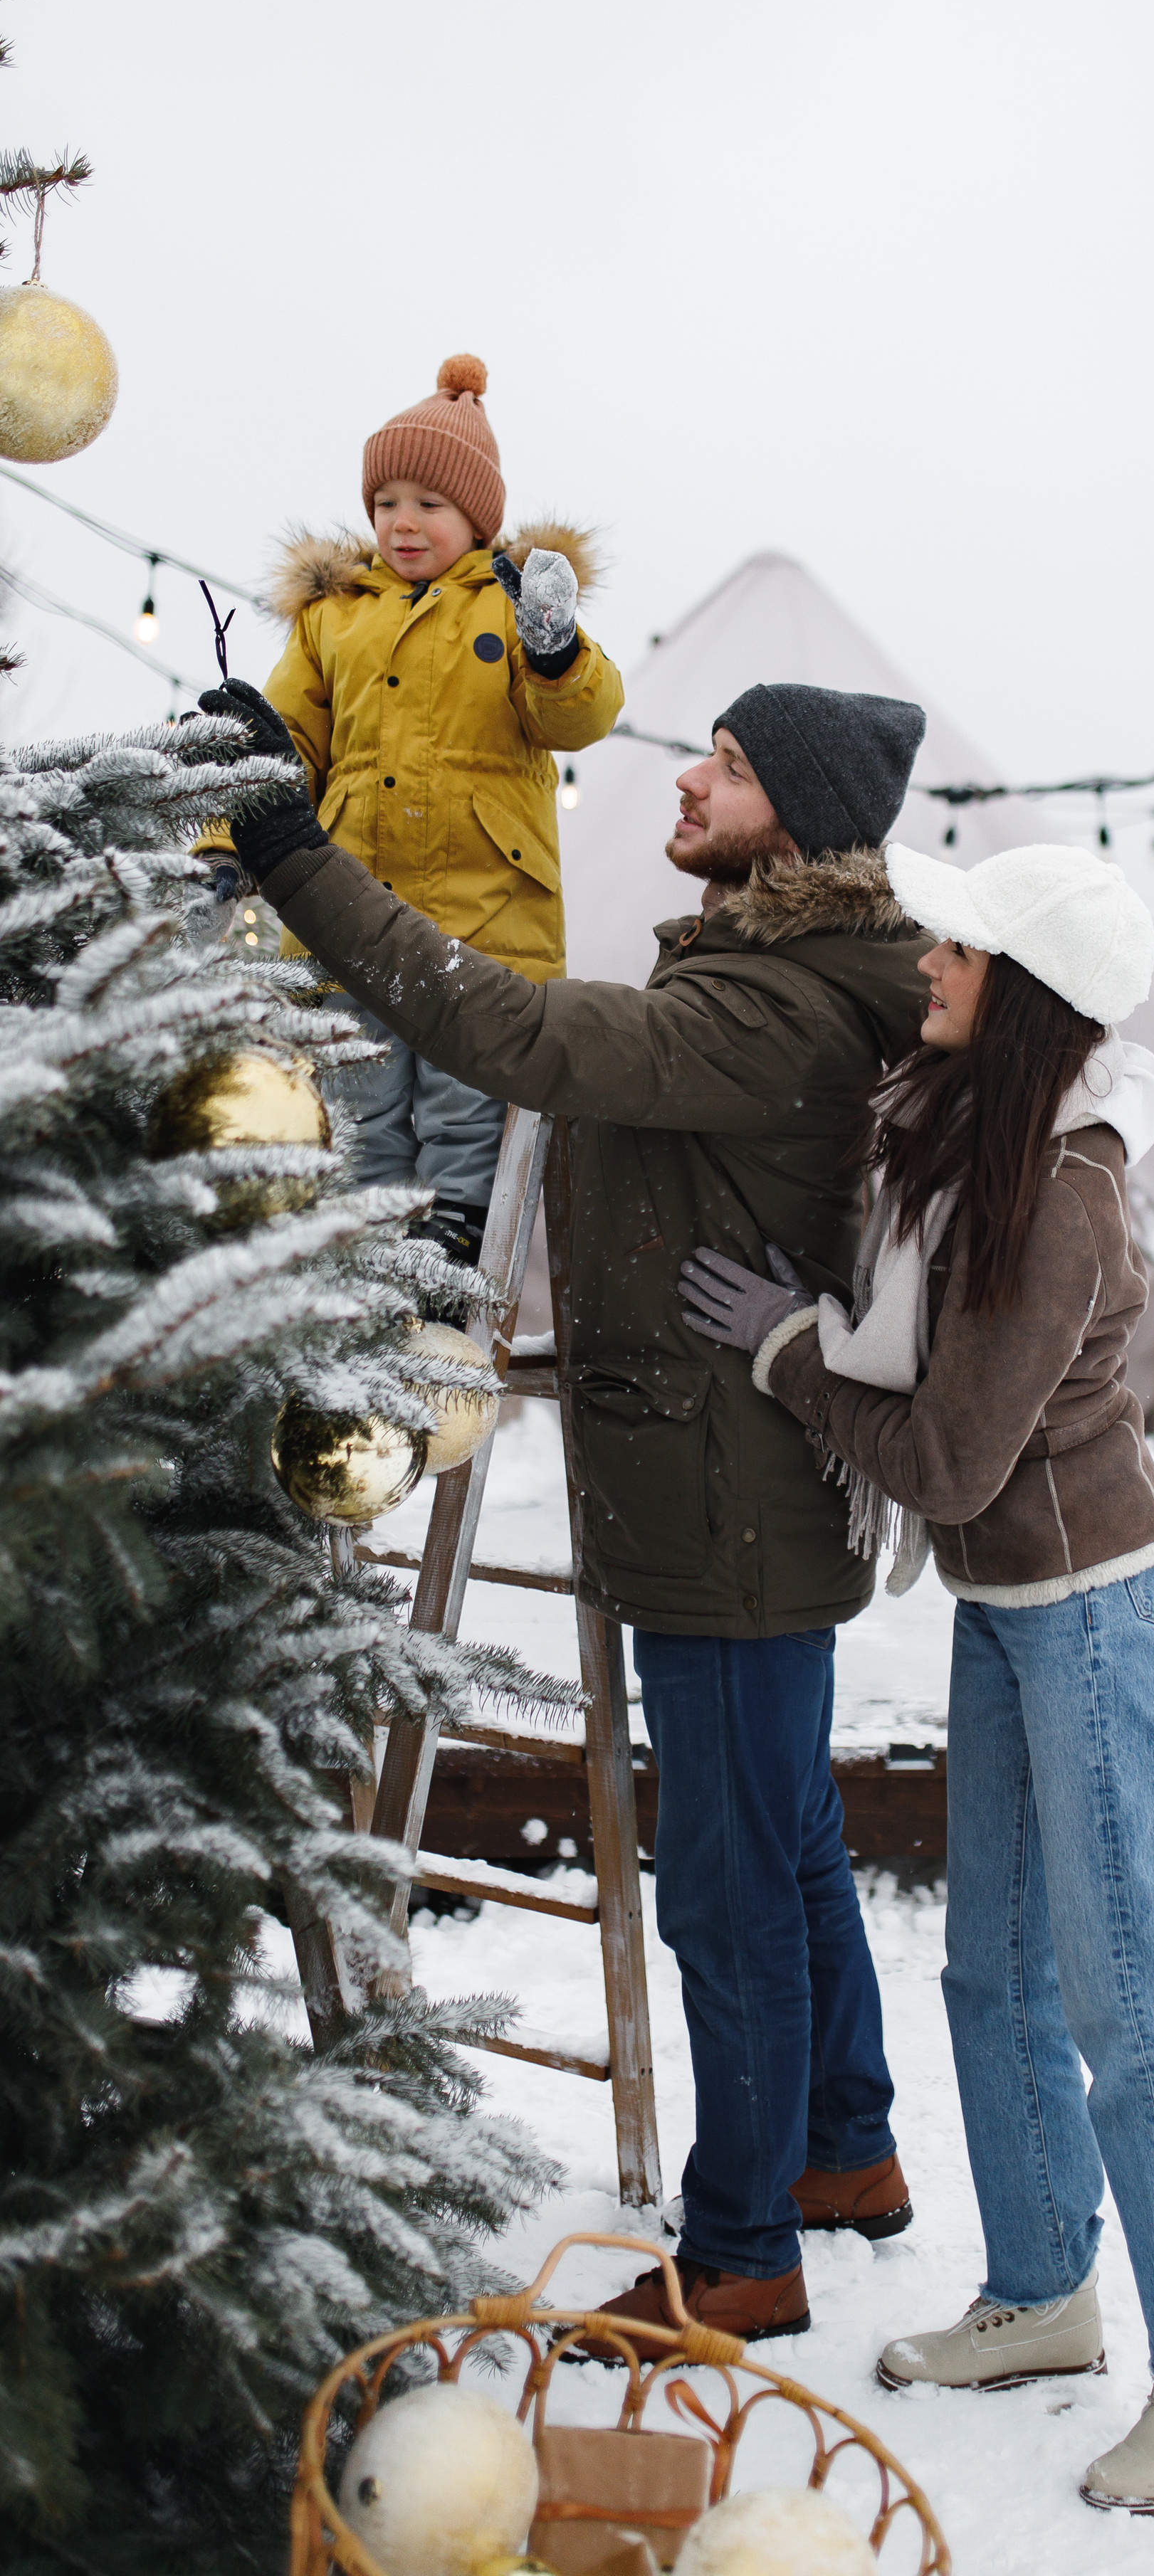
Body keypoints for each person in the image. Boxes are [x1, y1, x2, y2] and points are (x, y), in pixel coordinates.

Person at [203, 670, 933, 2344]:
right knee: (790, 1833)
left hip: (722, 1505)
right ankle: (843, 2143)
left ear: (799, 823)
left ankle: (742, 2249)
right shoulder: (781, 969)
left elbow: (509, 1031)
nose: (686, 777)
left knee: (731, 1881)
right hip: (725, 1486)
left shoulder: (776, 1008)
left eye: (729, 767)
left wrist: (293, 848)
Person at [678, 841, 1154, 2519]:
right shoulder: (979, 1140)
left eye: (957, 950)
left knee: (1123, 1989)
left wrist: (788, 1354)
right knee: (991, 1970)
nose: (929, 965)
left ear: (1022, 993)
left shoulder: (1063, 1191)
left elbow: (949, 1454)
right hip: (1010, 1602)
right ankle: (1038, 2292)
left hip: (1086, 1607)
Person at [204, 354, 625, 1266]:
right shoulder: (332, 617)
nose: (402, 522)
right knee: (360, 1091)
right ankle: (372, 1231)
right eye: (386, 501)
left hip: (483, 917)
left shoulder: (513, 608)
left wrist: (554, 650)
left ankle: (455, 1232)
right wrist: (220, 840)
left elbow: (579, 717)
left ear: (477, 518)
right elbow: (288, 745)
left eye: (429, 505)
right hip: (348, 906)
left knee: (465, 1091)